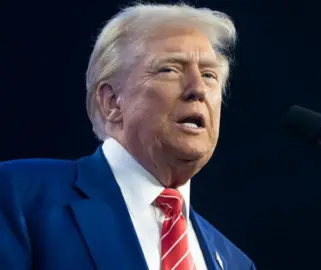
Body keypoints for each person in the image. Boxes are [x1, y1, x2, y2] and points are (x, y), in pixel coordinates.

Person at [0, 3, 255, 270]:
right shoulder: (18, 196)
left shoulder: (236, 262)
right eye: (170, 69)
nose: (198, 89)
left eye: (209, 75)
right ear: (112, 102)